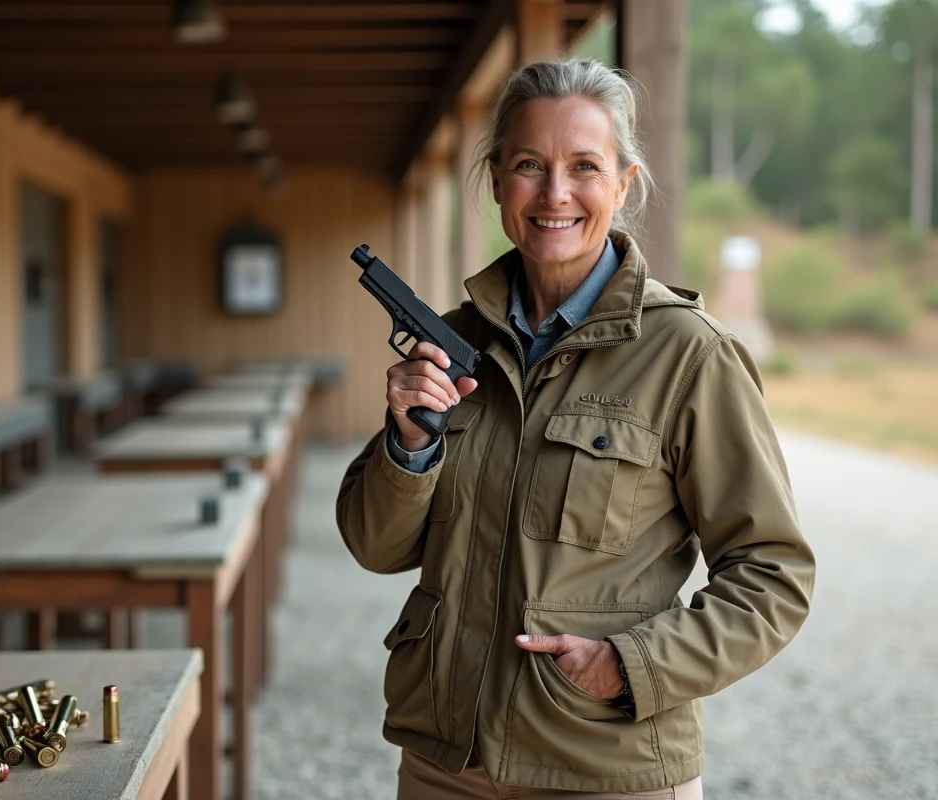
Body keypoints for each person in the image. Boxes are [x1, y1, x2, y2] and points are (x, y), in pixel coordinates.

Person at [336, 59, 815, 799]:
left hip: (605, 768)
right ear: (496, 179)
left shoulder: (689, 354)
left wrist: (632, 665)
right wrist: (411, 443)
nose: (555, 193)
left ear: (623, 183)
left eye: (583, 166)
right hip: (446, 765)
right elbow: (375, 546)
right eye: (529, 164)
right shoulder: (456, 341)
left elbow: (773, 575)